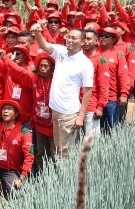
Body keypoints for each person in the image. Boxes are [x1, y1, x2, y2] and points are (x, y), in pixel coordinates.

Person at [30, 23, 93, 159]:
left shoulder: (85, 63)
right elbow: (45, 45)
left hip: (68, 113)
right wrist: (38, 33)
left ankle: (66, 178)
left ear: (82, 42)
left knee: (65, 152)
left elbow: (87, 91)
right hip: (55, 110)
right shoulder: (61, 52)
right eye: (68, 37)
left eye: (74, 38)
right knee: (58, 148)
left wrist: (81, 117)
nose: (70, 40)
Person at [81, 29, 109, 136]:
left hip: (91, 106)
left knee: (90, 140)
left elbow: (104, 85)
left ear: (96, 41)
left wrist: (100, 107)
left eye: (89, 39)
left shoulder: (100, 60)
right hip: (76, 105)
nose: (86, 42)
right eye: (84, 39)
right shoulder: (77, 58)